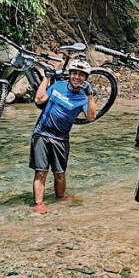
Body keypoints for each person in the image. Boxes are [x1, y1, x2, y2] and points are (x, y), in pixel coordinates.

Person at [29, 59, 97, 214]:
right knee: (41, 171)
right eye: (74, 73)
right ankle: (39, 204)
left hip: (61, 138)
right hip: (42, 133)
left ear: (85, 78)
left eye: (81, 75)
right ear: (70, 75)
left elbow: (91, 117)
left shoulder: (83, 97)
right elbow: (39, 99)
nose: (77, 77)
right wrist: (46, 78)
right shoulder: (58, 86)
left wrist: (90, 94)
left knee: (59, 173)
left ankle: (60, 198)